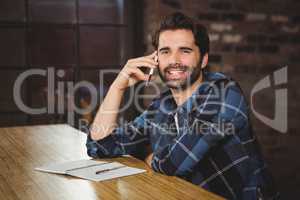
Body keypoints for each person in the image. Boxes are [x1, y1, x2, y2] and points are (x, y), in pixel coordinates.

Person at [86, 12, 279, 199]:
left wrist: (149, 156)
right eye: (165, 51)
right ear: (156, 60)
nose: (174, 61)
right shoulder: (161, 105)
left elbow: (173, 164)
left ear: (203, 59)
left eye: (185, 51)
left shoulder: (225, 93)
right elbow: (101, 146)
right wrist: (118, 86)